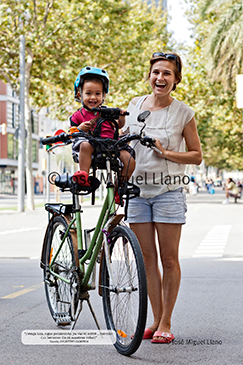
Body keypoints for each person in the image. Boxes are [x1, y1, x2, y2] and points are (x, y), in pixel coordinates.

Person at [122, 51, 202, 343]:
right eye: (156, 72)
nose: (160, 78)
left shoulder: (184, 112)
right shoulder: (134, 106)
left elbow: (196, 155)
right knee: (147, 259)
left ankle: (167, 321)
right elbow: (123, 140)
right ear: (149, 75)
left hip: (169, 191)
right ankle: (155, 320)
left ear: (176, 79)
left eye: (167, 73)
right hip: (138, 192)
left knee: (169, 259)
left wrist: (166, 152)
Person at [70, 66, 135, 202]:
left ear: (104, 95)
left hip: (112, 145)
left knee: (130, 161)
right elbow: (72, 132)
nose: (93, 97)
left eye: (98, 94)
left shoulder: (107, 112)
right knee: (85, 145)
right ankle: (84, 175)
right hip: (92, 143)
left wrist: (121, 117)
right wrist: (80, 128)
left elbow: (118, 125)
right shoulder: (77, 115)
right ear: (79, 95)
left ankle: (119, 188)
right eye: (88, 93)